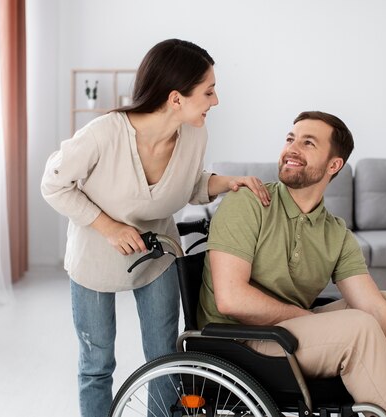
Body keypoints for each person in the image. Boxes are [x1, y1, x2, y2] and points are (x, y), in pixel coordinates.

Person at [41, 38, 270, 417]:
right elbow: (53, 184)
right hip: (96, 258)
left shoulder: (195, 134)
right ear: (176, 98)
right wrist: (109, 226)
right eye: (209, 91)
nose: (216, 101)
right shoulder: (102, 134)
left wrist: (228, 182)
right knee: (97, 364)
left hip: (157, 253)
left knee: (165, 358)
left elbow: (189, 183)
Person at [197, 111, 386, 417]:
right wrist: (305, 317)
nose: (292, 149)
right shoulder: (249, 202)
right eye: (290, 139)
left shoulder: (335, 232)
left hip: (289, 334)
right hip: (239, 339)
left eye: (308, 143)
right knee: (359, 329)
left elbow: (373, 306)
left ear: (334, 165)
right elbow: (231, 300)